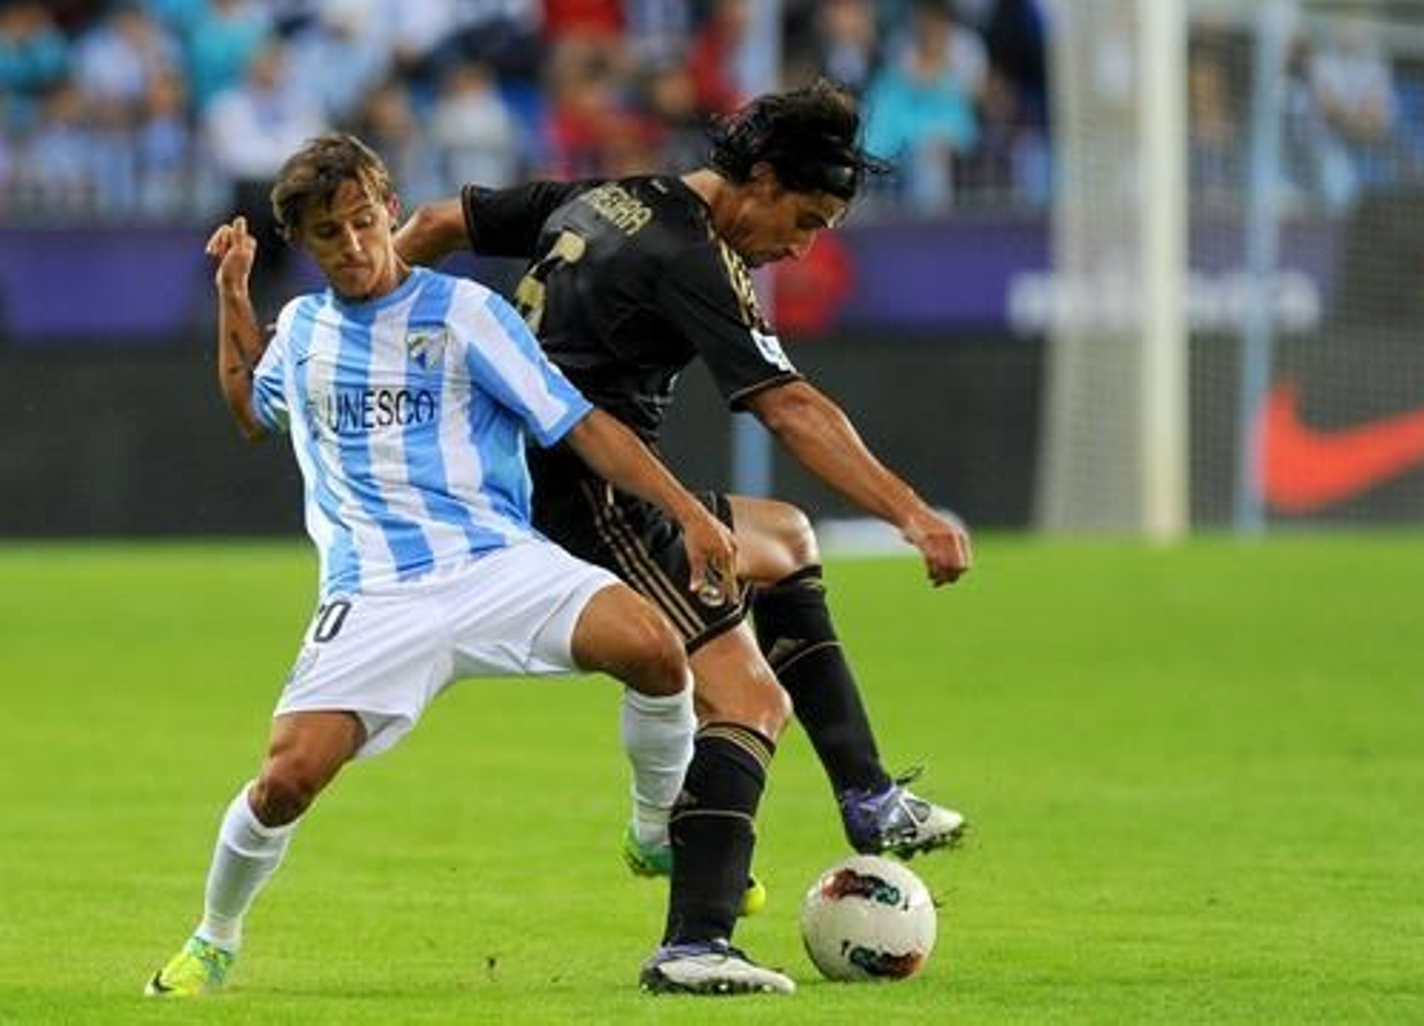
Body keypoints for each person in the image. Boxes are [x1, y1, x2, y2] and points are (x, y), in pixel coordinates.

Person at [145, 134, 795, 998]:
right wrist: (233, 294)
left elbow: (581, 424)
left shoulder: (466, 313)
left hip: (497, 565)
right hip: (376, 594)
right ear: (302, 242)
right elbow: (249, 410)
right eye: (329, 233)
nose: (354, 245)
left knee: (653, 647)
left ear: (388, 207)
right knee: (286, 780)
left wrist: (686, 512)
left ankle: (651, 830)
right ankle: (213, 939)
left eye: (364, 221)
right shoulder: (300, 332)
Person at [395, 79, 971, 905]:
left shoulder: (610, 196)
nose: (801, 248)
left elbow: (432, 223)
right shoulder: (693, 255)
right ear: (762, 179)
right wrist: (911, 514)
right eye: (805, 220)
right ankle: (696, 939)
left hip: (529, 473)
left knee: (785, 539)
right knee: (747, 700)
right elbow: (789, 407)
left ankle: (868, 795)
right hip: (588, 496)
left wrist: (355, 320)